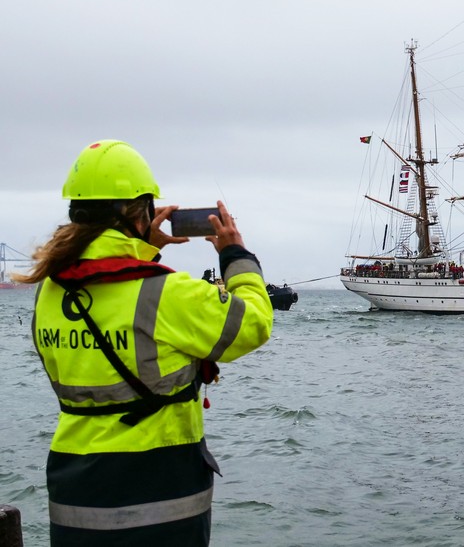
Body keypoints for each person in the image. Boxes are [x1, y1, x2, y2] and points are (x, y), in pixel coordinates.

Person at [15, 140, 273, 546]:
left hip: (74, 493)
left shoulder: (51, 290)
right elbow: (253, 323)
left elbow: (115, 306)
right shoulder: (166, 293)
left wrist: (143, 250)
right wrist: (235, 253)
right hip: (158, 493)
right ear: (140, 213)